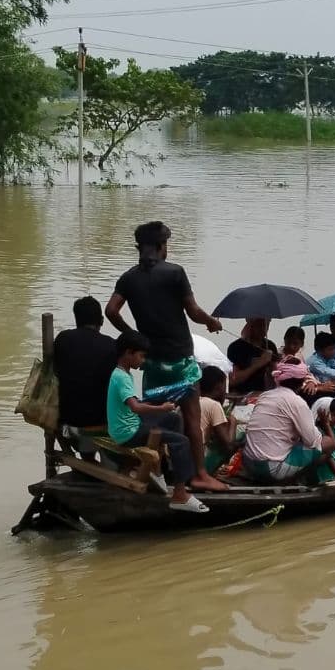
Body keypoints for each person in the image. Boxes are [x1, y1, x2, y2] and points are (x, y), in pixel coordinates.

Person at [104, 220, 227, 493]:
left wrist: (134, 336)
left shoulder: (129, 278)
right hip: (182, 362)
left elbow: (111, 311)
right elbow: (193, 311)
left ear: (140, 248)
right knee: (192, 420)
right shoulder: (175, 273)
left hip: (152, 362)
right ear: (161, 247)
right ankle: (199, 475)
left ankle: (157, 472)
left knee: (155, 420)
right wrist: (210, 322)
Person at [106, 331, 208, 513]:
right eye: (141, 356)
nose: (143, 361)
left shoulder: (121, 373)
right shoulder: (122, 378)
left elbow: (134, 405)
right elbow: (135, 407)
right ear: (129, 353)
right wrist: (161, 408)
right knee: (181, 441)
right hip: (128, 432)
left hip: (128, 425)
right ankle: (180, 494)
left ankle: (159, 470)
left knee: (173, 419)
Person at [242, 358, 335, 482]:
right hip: (270, 469)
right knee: (329, 443)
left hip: (249, 463)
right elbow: (312, 441)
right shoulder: (297, 402)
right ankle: (292, 480)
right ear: (302, 381)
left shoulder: (265, 395)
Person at [53, 296, 117, 461]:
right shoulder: (111, 345)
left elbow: (56, 372)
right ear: (102, 321)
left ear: (76, 320)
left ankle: (88, 461)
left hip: (67, 423)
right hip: (101, 424)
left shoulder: (62, 339)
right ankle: (105, 464)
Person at [198, 366, 236, 474]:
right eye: (225, 387)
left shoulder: (192, 401)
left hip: (182, 462)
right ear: (219, 387)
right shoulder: (213, 405)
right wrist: (233, 423)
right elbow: (229, 446)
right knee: (238, 438)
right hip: (199, 463)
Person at [227, 317, 279, 395]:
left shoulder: (270, 346)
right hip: (239, 395)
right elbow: (233, 380)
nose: (263, 329)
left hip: (262, 394)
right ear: (251, 324)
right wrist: (259, 363)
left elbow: (275, 374)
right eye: (259, 325)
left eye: (266, 325)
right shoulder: (236, 347)